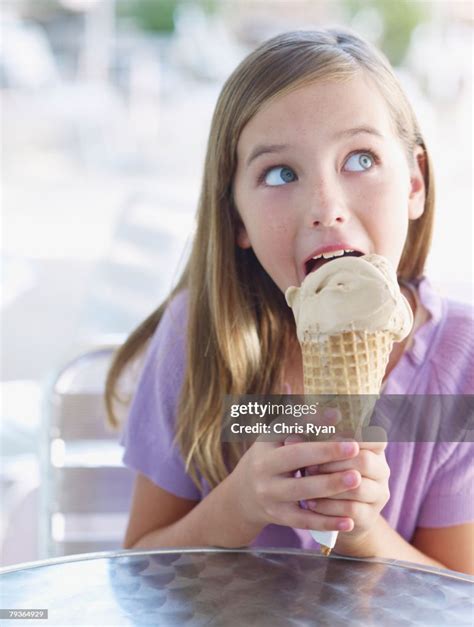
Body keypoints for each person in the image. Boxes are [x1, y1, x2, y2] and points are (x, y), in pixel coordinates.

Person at [105, 29, 473, 574]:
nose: (326, 207)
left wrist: (364, 533)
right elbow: (137, 568)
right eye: (280, 173)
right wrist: (240, 504)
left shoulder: (460, 363)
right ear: (237, 219)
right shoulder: (199, 337)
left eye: (360, 159)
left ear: (415, 182)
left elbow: (460, 595)